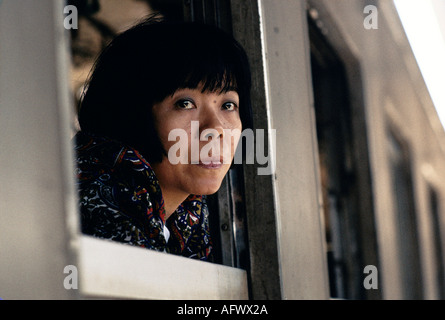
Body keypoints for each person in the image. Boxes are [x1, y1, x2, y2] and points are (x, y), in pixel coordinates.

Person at [74, 14, 252, 262]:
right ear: (133, 113)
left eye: (228, 105)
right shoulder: (104, 195)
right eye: (185, 103)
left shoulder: (187, 215)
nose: (216, 128)